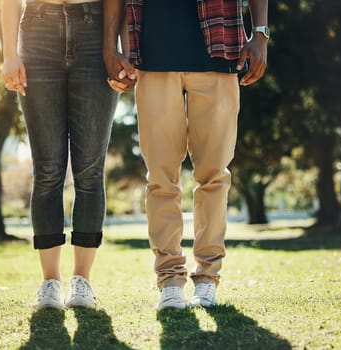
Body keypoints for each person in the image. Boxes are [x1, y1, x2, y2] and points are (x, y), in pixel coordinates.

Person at [104, 0, 269, 309]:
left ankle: (207, 278)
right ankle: (170, 280)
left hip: (219, 53)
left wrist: (260, 32)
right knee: (161, 179)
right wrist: (111, 47)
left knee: (214, 176)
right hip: (153, 56)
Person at [2, 0, 118, 309]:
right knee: (48, 171)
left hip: (95, 29)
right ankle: (50, 282)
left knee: (90, 172)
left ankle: (82, 281)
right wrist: (10, 54)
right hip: (38, 30)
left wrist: (114, 47)